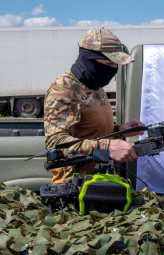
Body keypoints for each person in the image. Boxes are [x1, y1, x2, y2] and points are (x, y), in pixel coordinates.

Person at [44, 27, 144, 184]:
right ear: (88, 59)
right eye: (107, 63)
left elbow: (89, 132)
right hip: (74, 188)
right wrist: (109, 146)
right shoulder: (64, 88)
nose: (112, 69)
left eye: (115, 64)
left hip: (98, 182)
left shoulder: (94, 85)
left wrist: (119, 131)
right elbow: (56, 142)